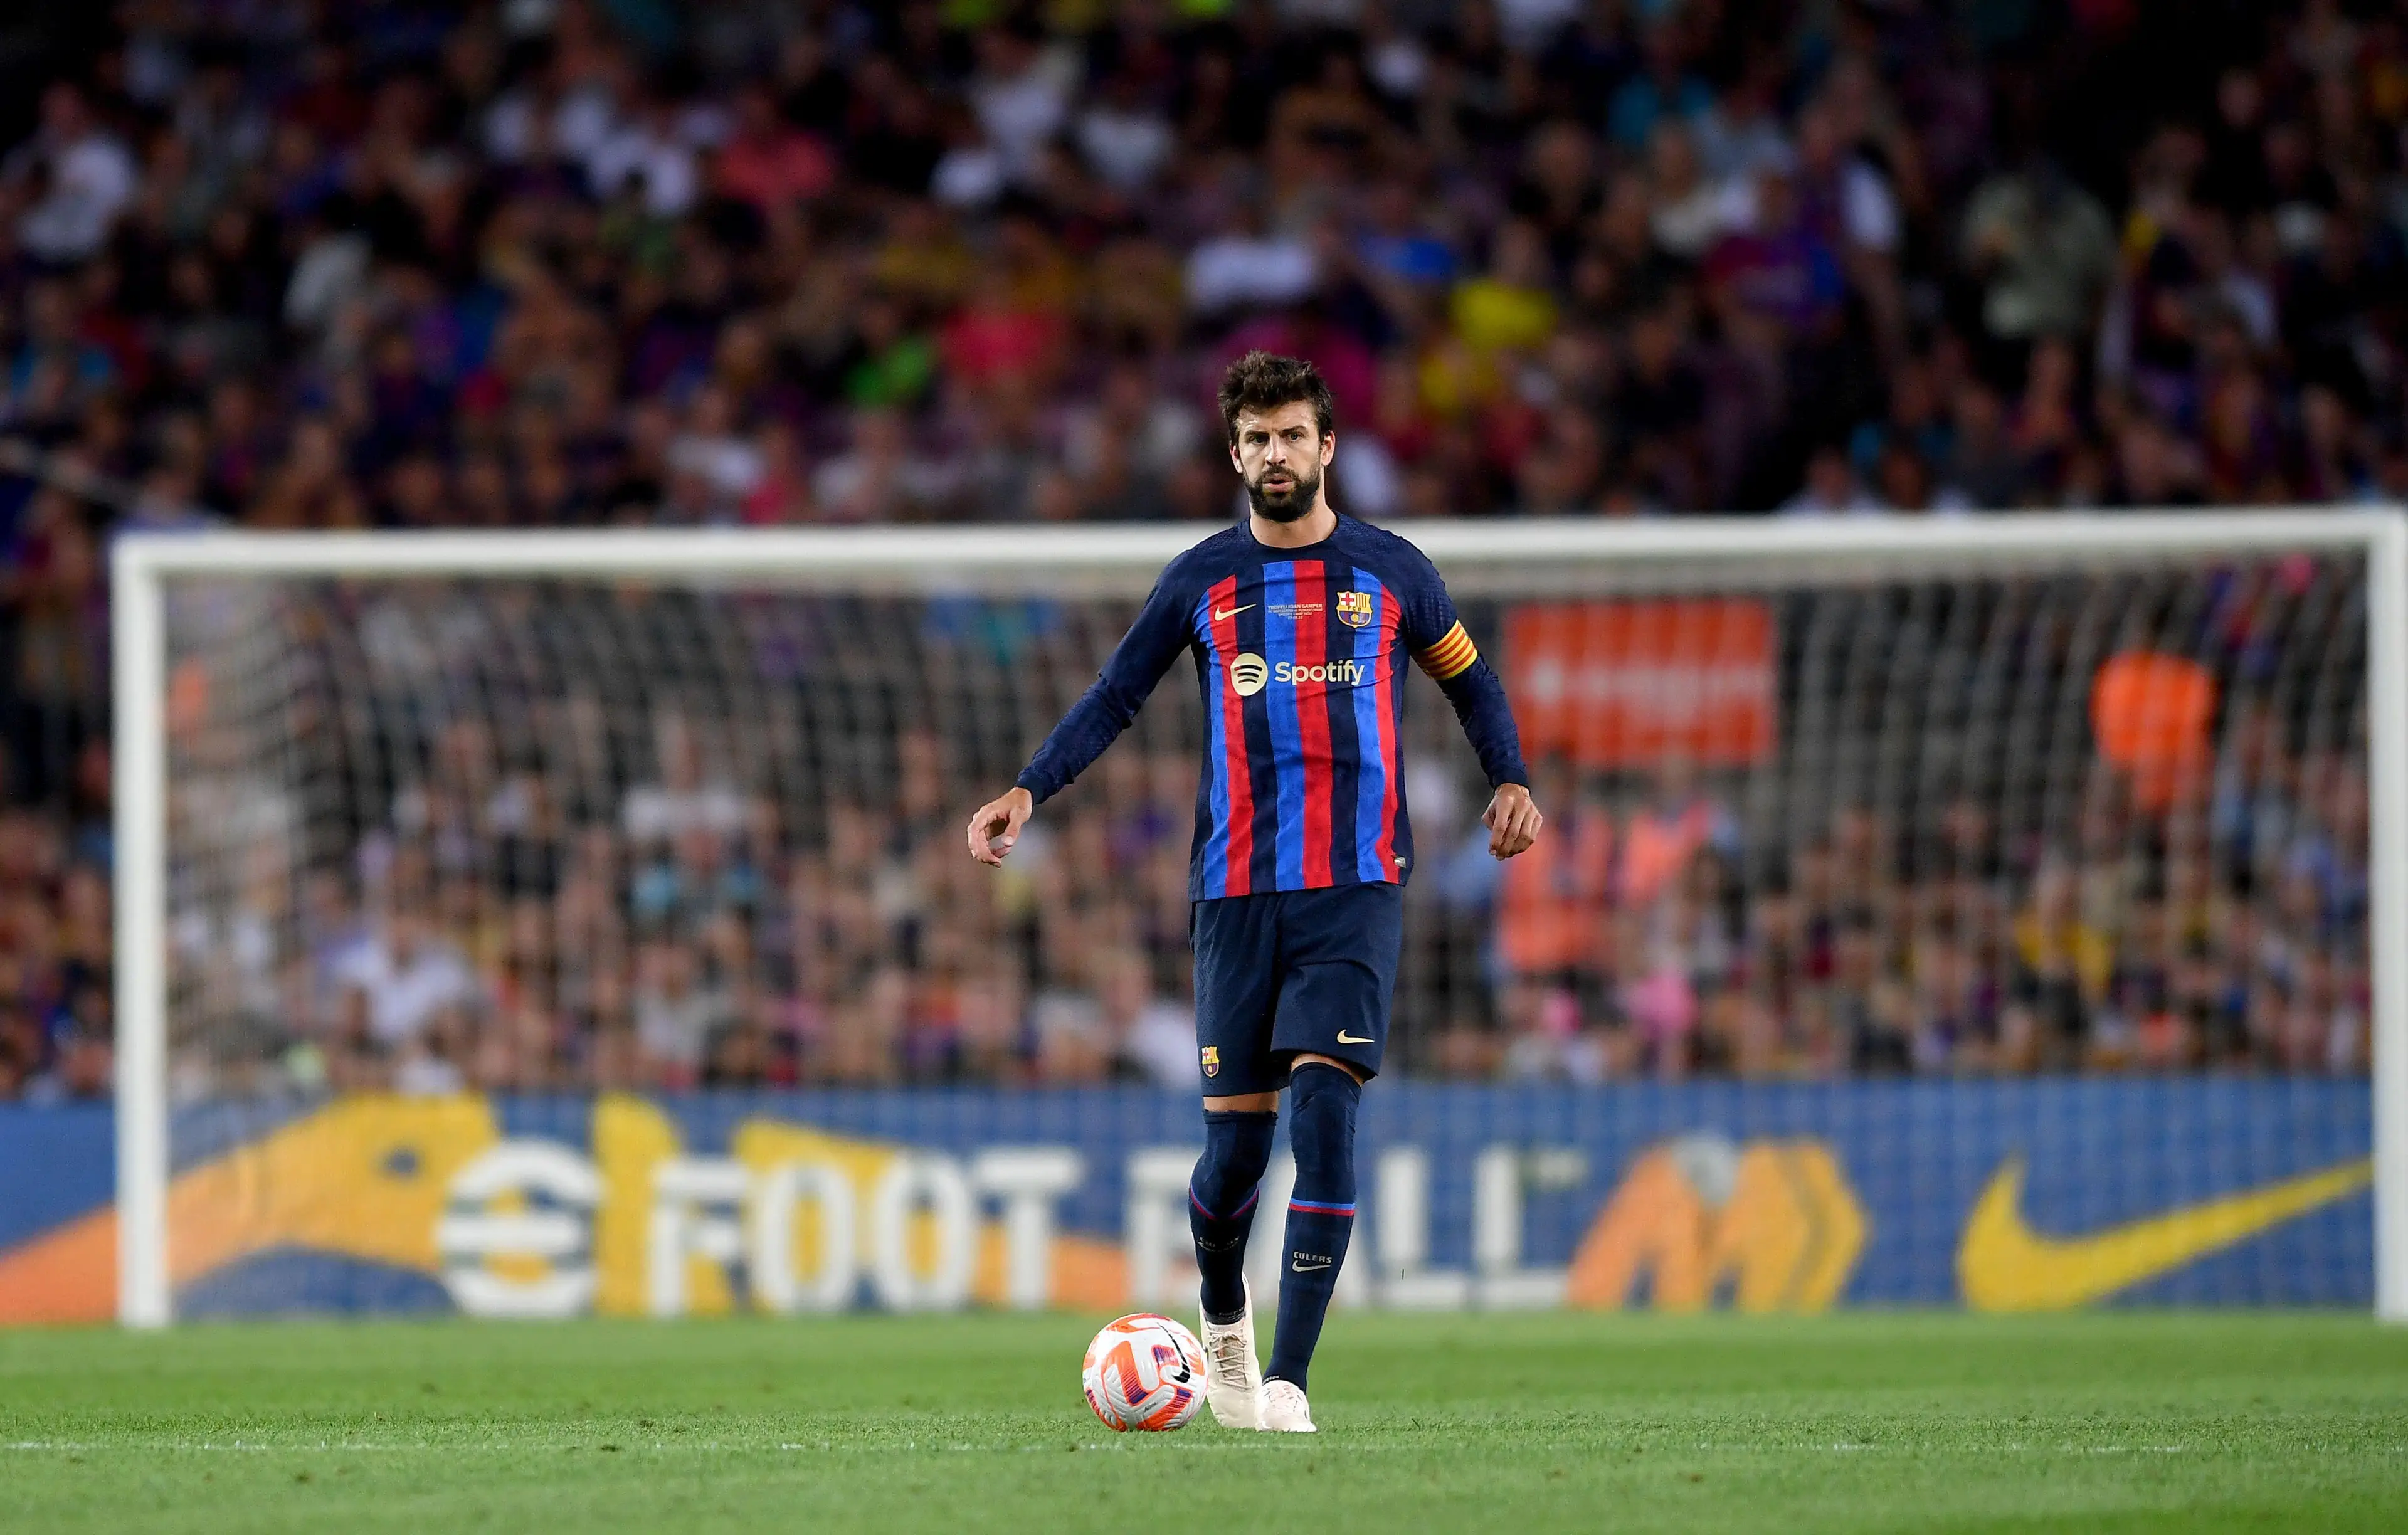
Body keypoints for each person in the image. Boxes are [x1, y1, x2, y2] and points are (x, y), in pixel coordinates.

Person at [964, 352, 1542, 1432]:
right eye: (1256, 440)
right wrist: (1027, 790)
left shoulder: (1395, 573)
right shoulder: (1201, 580)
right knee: (1236, 1150)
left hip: (1356, 887)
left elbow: (1471, 678)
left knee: (1326, 1113)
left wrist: (1509, 774)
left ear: (1327, 446)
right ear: (1235, 456)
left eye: (1293, 436)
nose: (1275, 455)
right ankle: (1221, 1314)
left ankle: (1291, 1381)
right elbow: (1113, 696)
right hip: (1233, 895)